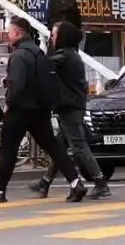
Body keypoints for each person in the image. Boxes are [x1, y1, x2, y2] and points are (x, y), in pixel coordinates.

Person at [0, 18, 80, 203]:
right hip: (40, 109)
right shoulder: (39, 53)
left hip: (20, 109)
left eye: (10, 31)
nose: (8, 35)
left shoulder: (18, 55)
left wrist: (8, 104)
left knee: (8, 149)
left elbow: (18, 85)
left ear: (16, 32)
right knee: (54, 148)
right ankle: (75, 183)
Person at [29, 20, 111, 201]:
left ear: (63, 37)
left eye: (55, 34)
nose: (51, 38)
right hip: (71, 106)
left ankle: (100, 183)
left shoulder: (65, 56)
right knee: (60, 146)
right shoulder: (70, 54)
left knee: (79, 146)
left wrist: (27, 57)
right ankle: (45, 182)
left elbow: (44, 65)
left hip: (70, 108)